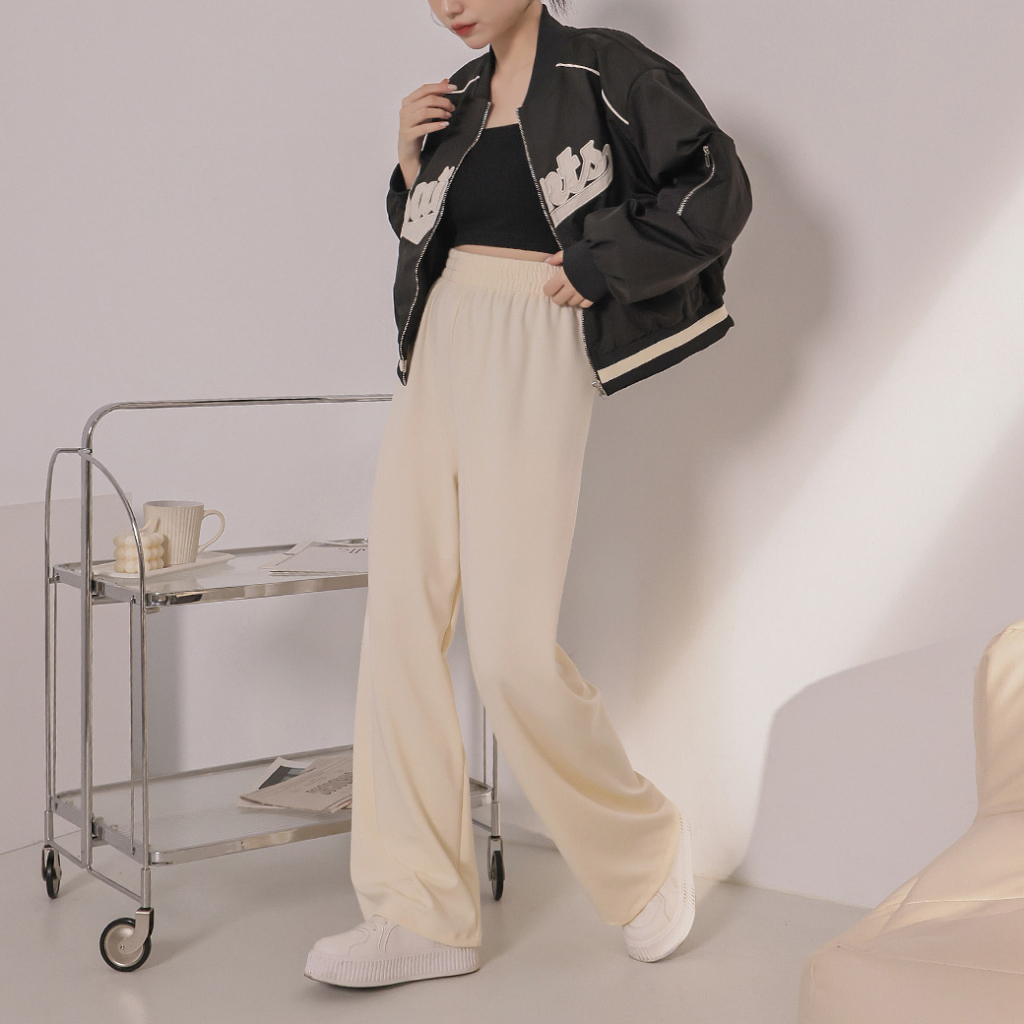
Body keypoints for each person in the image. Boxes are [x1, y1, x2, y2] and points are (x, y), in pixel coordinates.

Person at [305, 0, 752, 989]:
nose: (447, 5)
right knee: (399, 627)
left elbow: (714, 185)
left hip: (532, 340)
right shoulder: (458, 99)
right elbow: (433, 234)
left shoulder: (604, 69)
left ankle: (642, 851)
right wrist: (409, 169)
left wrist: (599, 265)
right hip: (438, 346)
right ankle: (417, 909)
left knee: (509, 650)